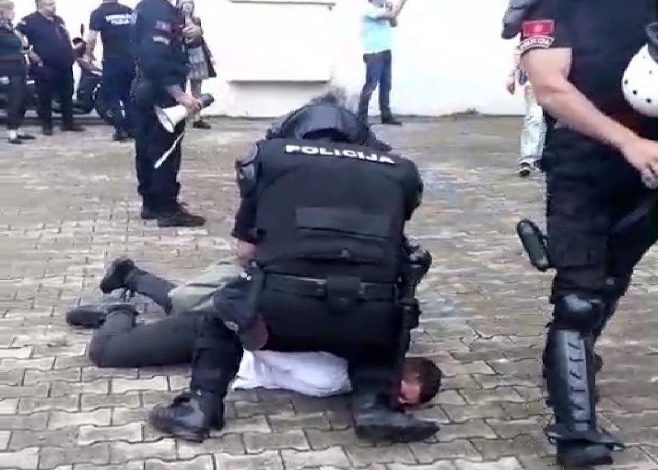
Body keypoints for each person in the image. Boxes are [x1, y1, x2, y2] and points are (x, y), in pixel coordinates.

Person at [145, 95, 440, 444]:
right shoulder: (400, 170)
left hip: (280, 314)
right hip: (363, 319)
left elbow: (246, 251)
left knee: (224, 311)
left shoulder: (268, 158)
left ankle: (201, 408)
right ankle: (374, 406)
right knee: (386, 324)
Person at [504, 0, 658, 466]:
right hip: (583, 158)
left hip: (651, 160)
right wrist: (629, 142)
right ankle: (576, 435)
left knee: (613, 275)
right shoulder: (552, 4)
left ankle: (568, 357)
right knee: (579, 297)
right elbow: (550, 87)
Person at [64, 259, 442, 406]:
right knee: (107, 354)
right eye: (400, 394)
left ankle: (131, 275)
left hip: (221, 336)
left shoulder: (353, 368)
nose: (396, 403)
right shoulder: (333, 374)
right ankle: (119, 312)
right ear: (398, 370)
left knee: (183, 304)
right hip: (217, 336)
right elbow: (261, 345)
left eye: (405, 404)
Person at [131, 0, 206, 227]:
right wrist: (179, 94)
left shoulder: (147, 7)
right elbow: (155, 56)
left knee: (146, 148)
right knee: (165, 150)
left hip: (146, 87)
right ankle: (167, 209)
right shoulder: (158, 10)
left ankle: (151, 203)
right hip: (160, 91)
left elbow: (176, 42)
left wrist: (195, 31)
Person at [16, 0, 84, 136]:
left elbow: (65, 37)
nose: (53, 7)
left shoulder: (58, 20)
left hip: (64, 63)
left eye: (54, 4)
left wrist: (72, 53)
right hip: (45, 64)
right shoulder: (30, 20)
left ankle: (68, 123)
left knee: (67, 93)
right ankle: (47, 125)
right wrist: (28, 50)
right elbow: (17, 33)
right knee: (45, 95)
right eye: (50, 4)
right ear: (41, 5)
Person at [86, 0, 136, 142]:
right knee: (129, 96)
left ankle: (120, 129)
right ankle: (132, 129)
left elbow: (92, 38)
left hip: (112, 61)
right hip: (131, 60)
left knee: (112, 96)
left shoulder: (98, 13)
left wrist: (88, 55)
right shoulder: (128, 11)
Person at [357, 0, 409, 126]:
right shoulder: (368, 9)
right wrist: (401, 3)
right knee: (371, 86)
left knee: (386, 85)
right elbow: (392, 15)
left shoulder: (382, 8)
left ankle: (386, 115)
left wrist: (390, 9)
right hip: (374, 53)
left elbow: (393, 23)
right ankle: (361, 118)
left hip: (386, 51)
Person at [506, 45, 545, 177]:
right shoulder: (529, 35)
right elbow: (520, 49)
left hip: (556, 80)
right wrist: (512, 75)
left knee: (549, 120)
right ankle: (529, 159)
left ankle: (542, 157)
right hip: (533, 82)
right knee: (535, 118)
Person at [178, 0, 215, 130]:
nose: (187, 5)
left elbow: (201, 39)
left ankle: (197, 118)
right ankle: (179, 116)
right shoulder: (175, 21)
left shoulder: (196, 20)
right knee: (180, 88)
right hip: (183, 56)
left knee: (197, 88)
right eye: (184, 2)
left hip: (198, 55)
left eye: (190, 2)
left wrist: (209, 54)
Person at [0, 0, 33, 144]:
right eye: (11, 9)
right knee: (14, 99)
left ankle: (17, 127)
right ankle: (11, 132)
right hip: (6, 68)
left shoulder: (10, 28)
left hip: (19, 67)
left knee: (23, 98)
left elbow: (22, 45)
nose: (13, 12)